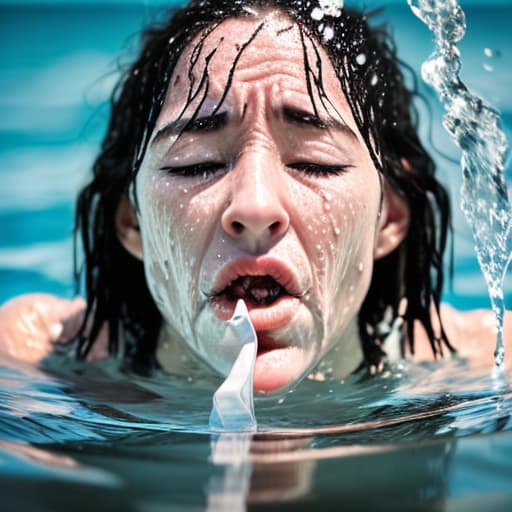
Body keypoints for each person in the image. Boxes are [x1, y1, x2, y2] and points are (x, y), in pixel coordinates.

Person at [0, 0, 509, 392]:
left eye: (315, 162)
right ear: (132, 221)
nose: (255, 206)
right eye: (195, 163)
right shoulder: (29, 361)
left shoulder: (486, 365)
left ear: (388, 218)